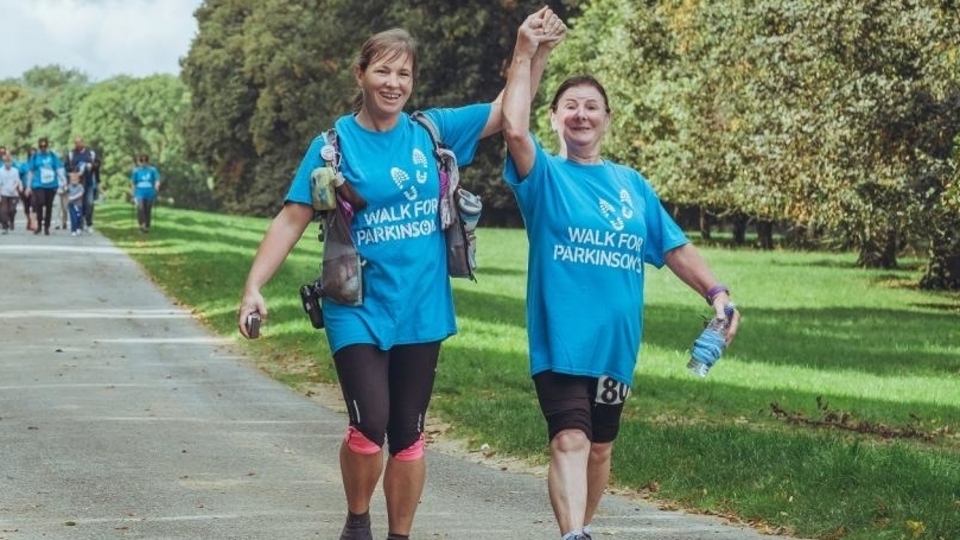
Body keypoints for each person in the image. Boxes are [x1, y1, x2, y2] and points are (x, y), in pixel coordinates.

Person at [235, 9, 565, 540]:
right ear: (360, 75)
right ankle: (358, 520)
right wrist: (253, 287)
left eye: (404, 74)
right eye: (383, 72)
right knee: (370, 425)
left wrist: (531, 52)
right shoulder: (331, 146)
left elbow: (510, 113)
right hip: (355, 305)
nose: (394, 83)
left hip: (422, 306)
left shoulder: (432, 132)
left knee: (408, 433)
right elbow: (291, 218)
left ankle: (399, 536)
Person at [500, 26, 741, 540]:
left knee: (601, 446)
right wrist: (528, 53)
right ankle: (572, 534)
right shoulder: (544, 177)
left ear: (607, 120)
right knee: (569, 438)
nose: (581, 114)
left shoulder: (633, 186)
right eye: (570, 106)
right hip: (562, 341)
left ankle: (580, 528)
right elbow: (514, 131)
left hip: (616, 347)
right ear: (554, 117)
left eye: (591, 106)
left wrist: (717, 294)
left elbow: (673, 247)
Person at [25, 137, 66, 236]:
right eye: (41, 146)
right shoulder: (35, 157)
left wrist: (63, 181)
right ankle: (39, 225)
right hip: (38, 184)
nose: (43, 148)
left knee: (49, 206)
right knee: (40, 203)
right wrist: (28, 186)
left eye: (45, 146)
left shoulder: (52, 156)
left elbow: (58, 169)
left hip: (51, 184)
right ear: (39, 146)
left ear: (47, 146)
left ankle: (46, 227)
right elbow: (30, 171)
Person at [68, 137, 98, 231]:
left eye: (80, 142)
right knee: (78, 204)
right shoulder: (72, 154)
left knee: (89, 203)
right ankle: (79, 224)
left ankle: (89, 223)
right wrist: (76, 169)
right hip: (76, 184)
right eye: (76, 143)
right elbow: (67, 167)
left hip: (89, 182)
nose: (78, 144)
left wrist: (91, 165)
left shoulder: (90, 153)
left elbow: (97, 165)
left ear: (83, 142)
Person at [130, 154, 161, 233]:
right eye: (141, 160)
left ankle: (147, 226)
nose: (143, 162)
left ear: (148, 161)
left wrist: (157, 186)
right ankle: (141, 225)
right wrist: (133, 194)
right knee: (140, 209)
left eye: (145, 160)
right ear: (138, 161)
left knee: (147, 209)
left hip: (150, 192)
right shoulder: (136, 171)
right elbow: (133, 183)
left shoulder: (152, 170)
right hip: (139, 192)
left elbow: (157, 179)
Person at [0, 153, 23, 234]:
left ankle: (11, 220)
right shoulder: (1, 171)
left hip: (13, 193)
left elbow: (17, 180)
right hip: (4, 193)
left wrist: (15, 187)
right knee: (3, 210)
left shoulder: (15, 171)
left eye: (9, 161)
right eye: (6, 162)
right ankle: (5, 226)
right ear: (4, 162)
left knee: (12, 210)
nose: (8, 163)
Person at [66, 171, 85, 236]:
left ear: (78, 180)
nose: (74, 181)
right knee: (73, 217)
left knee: (79, 217)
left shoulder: (80, 186)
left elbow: (81, 194)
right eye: (72, 180)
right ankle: (73, 229)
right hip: (71, 205)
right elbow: (66, 192)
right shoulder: (69, 186)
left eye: (75, 179)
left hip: (78, 205)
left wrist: (73, 197)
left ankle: (79, 228)